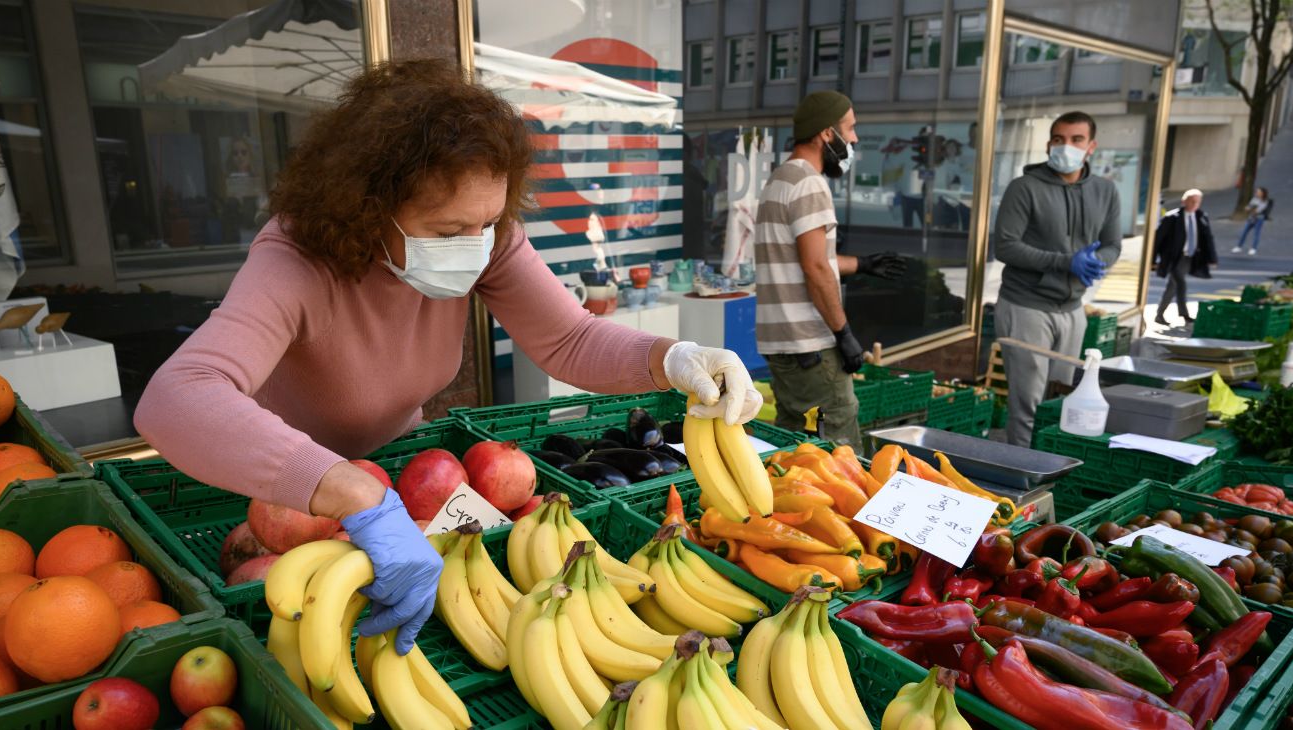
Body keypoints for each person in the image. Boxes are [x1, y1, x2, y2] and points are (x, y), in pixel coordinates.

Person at [133, 60, 762, 656]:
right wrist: (350, 491)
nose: (474, 246)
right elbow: (177, 397)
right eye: (446, 231)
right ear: (368, 206)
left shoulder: (488, 236)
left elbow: (567, 338)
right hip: (278, 490)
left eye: (487, 223)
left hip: (401, 476)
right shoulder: (296, 259)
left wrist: (672, 357)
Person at [754, 90, 903, 451]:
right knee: (839, 452)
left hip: (782, 344)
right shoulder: (809, 182)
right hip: (811, 345)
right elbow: (815, 265)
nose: (853, 139)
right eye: (849, 129)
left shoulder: (780, 179)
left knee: (793, 447)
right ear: (827, 134)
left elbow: (803, 258)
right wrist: (844, 332)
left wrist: (862, 264)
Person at [993, 110, 1122, 448]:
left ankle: (1050, 468)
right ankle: (1020, 474)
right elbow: (1005, 246)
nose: (1066, 146)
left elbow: (1113, 244)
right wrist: (1068, 263)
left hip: (1072, 309)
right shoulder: (1024, 188)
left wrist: (1095, 262)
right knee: (1027, 404)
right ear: (1049, 143)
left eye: (1076, 139)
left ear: (1091, 146)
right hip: (1025, 306)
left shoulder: (1105, 192)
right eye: (1059, 139)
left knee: (1058, 399)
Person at [1153, 189, 1217, 326]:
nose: (1195, 204)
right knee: (1181, 284)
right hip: (1173, 257)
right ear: (1184, 201)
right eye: (1192, 201)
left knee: (1172, 286)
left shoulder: (1201, 217)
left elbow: (1208, 238)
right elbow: (1158, 239)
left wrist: (1212, 258)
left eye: (1197, 202)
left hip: (1189, 256)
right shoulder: (1172, 218)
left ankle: (1159, 314)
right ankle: (1184, 314)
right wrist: (1153, 260)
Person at [1231, 187, 1272, 255]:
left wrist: (1251, 209)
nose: (1257, 193)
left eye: (1259, 192)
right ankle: (1239, 247)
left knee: (1256, 234)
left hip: (1259, 219)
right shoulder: (1254, 199)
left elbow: (1258, 210)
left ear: (1263, 193)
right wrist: (1248, 208)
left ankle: (1253, 248)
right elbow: (1249, 206)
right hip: (1251, 218)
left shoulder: (1265, 201)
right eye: (1257, 191)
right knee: (1244, 232)